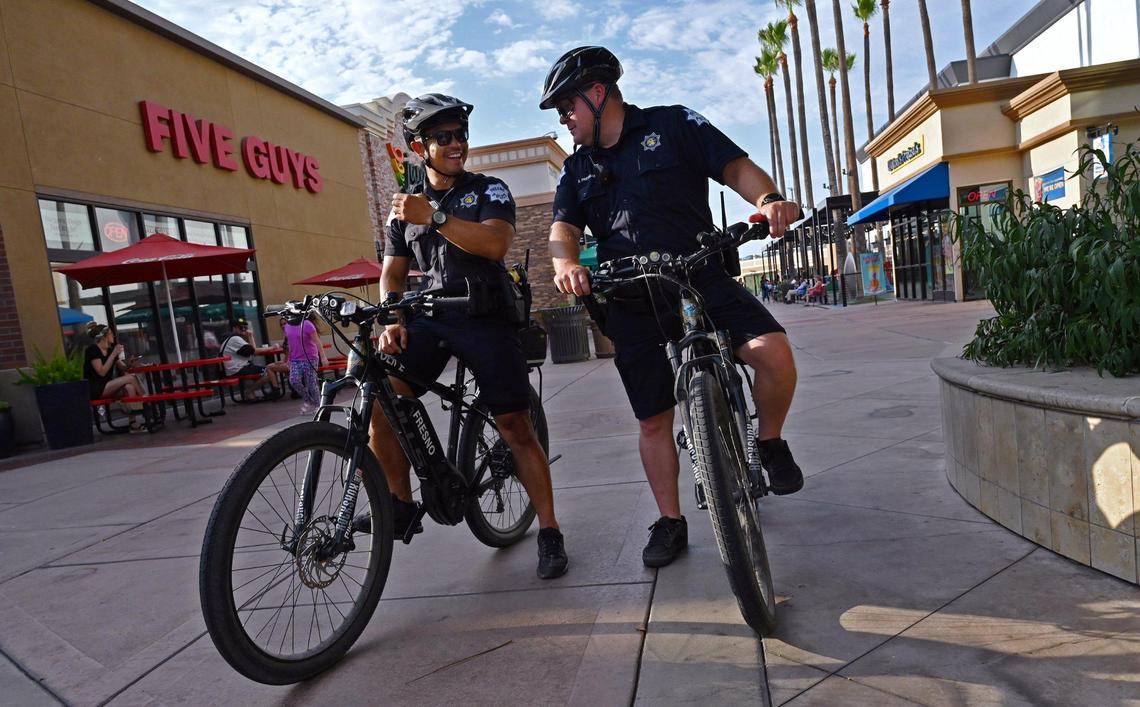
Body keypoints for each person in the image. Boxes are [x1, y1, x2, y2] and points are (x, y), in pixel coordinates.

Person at [542, 46, 805, 569]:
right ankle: (671, 520)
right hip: (630, 293)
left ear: (597, 95)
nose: (564, 119)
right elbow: (563, 230)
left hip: (699, 270)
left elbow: (733, 166)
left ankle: (769, 441)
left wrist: (769, 199)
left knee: (772, 354)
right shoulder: (576, 168)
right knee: (652, 420)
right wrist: (564, 266)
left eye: (567, 106)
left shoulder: (674, 123)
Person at [358, 93, 568, 579]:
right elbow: (392, 273)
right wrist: (392, 319)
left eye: (461, 135)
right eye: (444, 137)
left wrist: (431, 216)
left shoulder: (488, 189)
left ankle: (551, 530)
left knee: (515, 426)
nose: (457, 144)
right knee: (382, 400)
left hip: (486, 316)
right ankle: (401, 502)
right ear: (418, 147)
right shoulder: (401, 208)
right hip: (430, 317)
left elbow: (494, 244)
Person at [82, 322, 146, 433]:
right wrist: (113, 355)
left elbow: (123, 367)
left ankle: (133, 423)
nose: (113, 336)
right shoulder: (92, 350)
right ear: (104, 336)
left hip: (108, 386)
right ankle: (146, 402)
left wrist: (129, 363)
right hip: (95, 388)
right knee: (131, 378)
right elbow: (101, 372)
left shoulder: (111, 351)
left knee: (129, 387)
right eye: (111, 334)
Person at [220, 318, 282, 397]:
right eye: (240, 327)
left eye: (245, 327)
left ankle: (253, 394)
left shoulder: (232, 338)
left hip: (233, 369)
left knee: (261, 369)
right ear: (234, 328)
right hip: (236, 369)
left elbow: (252, 351)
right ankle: (249, 392)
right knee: (269, 371)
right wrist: (272, 347)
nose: (243, 329)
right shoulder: (235, 339)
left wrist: (250, 336)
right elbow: (255, 351)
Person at [283, 310, 327, 415]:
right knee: (294, 381)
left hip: (310, 358)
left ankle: (318, 405)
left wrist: (323, 357)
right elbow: (290, 343)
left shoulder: (307, 324)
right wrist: (288, 359)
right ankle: (308, 400)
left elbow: (317, 341)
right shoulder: (287, 326)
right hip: (295, 359)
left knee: (311, 383)